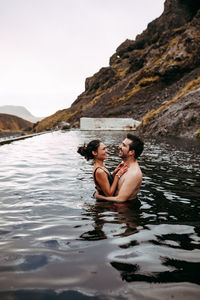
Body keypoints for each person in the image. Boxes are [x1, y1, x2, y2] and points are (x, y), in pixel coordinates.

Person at [95, 134, 144, 204]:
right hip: (113, 206)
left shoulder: (134, 174)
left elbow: (120, 199)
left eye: (124, 145)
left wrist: (98, 197)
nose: (119, 147)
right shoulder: (123, 164)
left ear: (131, 152)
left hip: (124, 210)